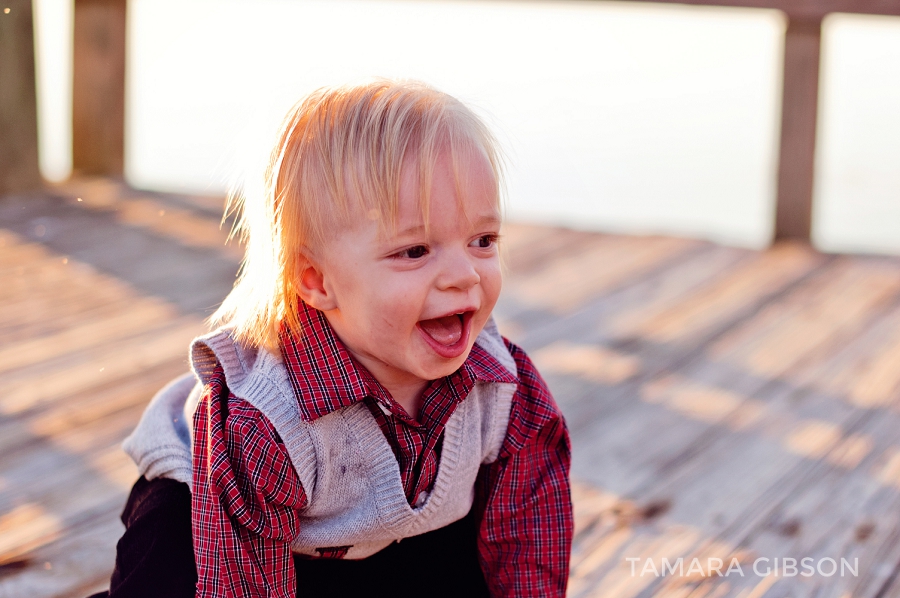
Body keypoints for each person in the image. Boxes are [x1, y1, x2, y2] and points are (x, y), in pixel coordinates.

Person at [95, 79, 572, 598]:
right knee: (170, 572)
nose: (464, 274)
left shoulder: (504, 386)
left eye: (482, 241)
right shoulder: (265, 423)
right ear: (318, 281)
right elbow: (243, 581)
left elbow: (529, 523)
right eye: (414, 251)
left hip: (377, 530)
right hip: (214, 518)